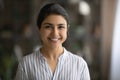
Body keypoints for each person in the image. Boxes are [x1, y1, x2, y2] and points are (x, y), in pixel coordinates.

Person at [15, 3, 90, 80]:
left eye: (60, 27)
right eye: (48, 27)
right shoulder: (26, 64)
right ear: (39, 29)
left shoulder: (80, 65)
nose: (55, 33)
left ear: (67, 29)